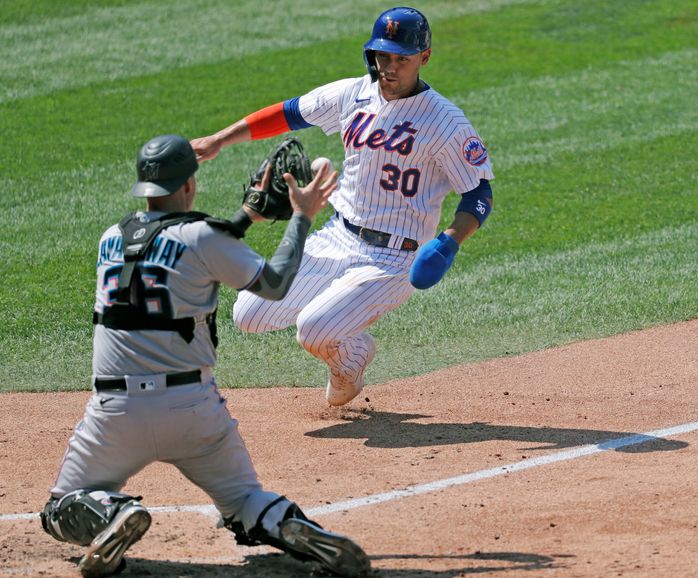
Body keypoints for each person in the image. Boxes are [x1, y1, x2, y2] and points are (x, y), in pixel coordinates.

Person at [39, 134, 370, 577]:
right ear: (190, 185)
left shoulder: (111, 239)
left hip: (115, 415)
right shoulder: (204, 239)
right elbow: (270, 284)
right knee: (243, 500)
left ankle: (109, 513)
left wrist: (247, 215)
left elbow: (184, 249)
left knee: (60, 507)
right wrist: (301, 216)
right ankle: (283, 523)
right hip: (195, 411)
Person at [191, 6, 494, 407]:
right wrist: (219, 139)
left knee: (313, 330)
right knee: (249, 313)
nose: (390, 67)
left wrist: (450, 242)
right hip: (338, 235)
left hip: (393, 258)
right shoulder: (352, 94)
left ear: (424, 57)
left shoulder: (445, 123)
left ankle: (350, 360)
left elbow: (479, 193)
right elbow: (289, 113)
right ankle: (352, 345)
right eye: (382, 56)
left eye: (402, 59)